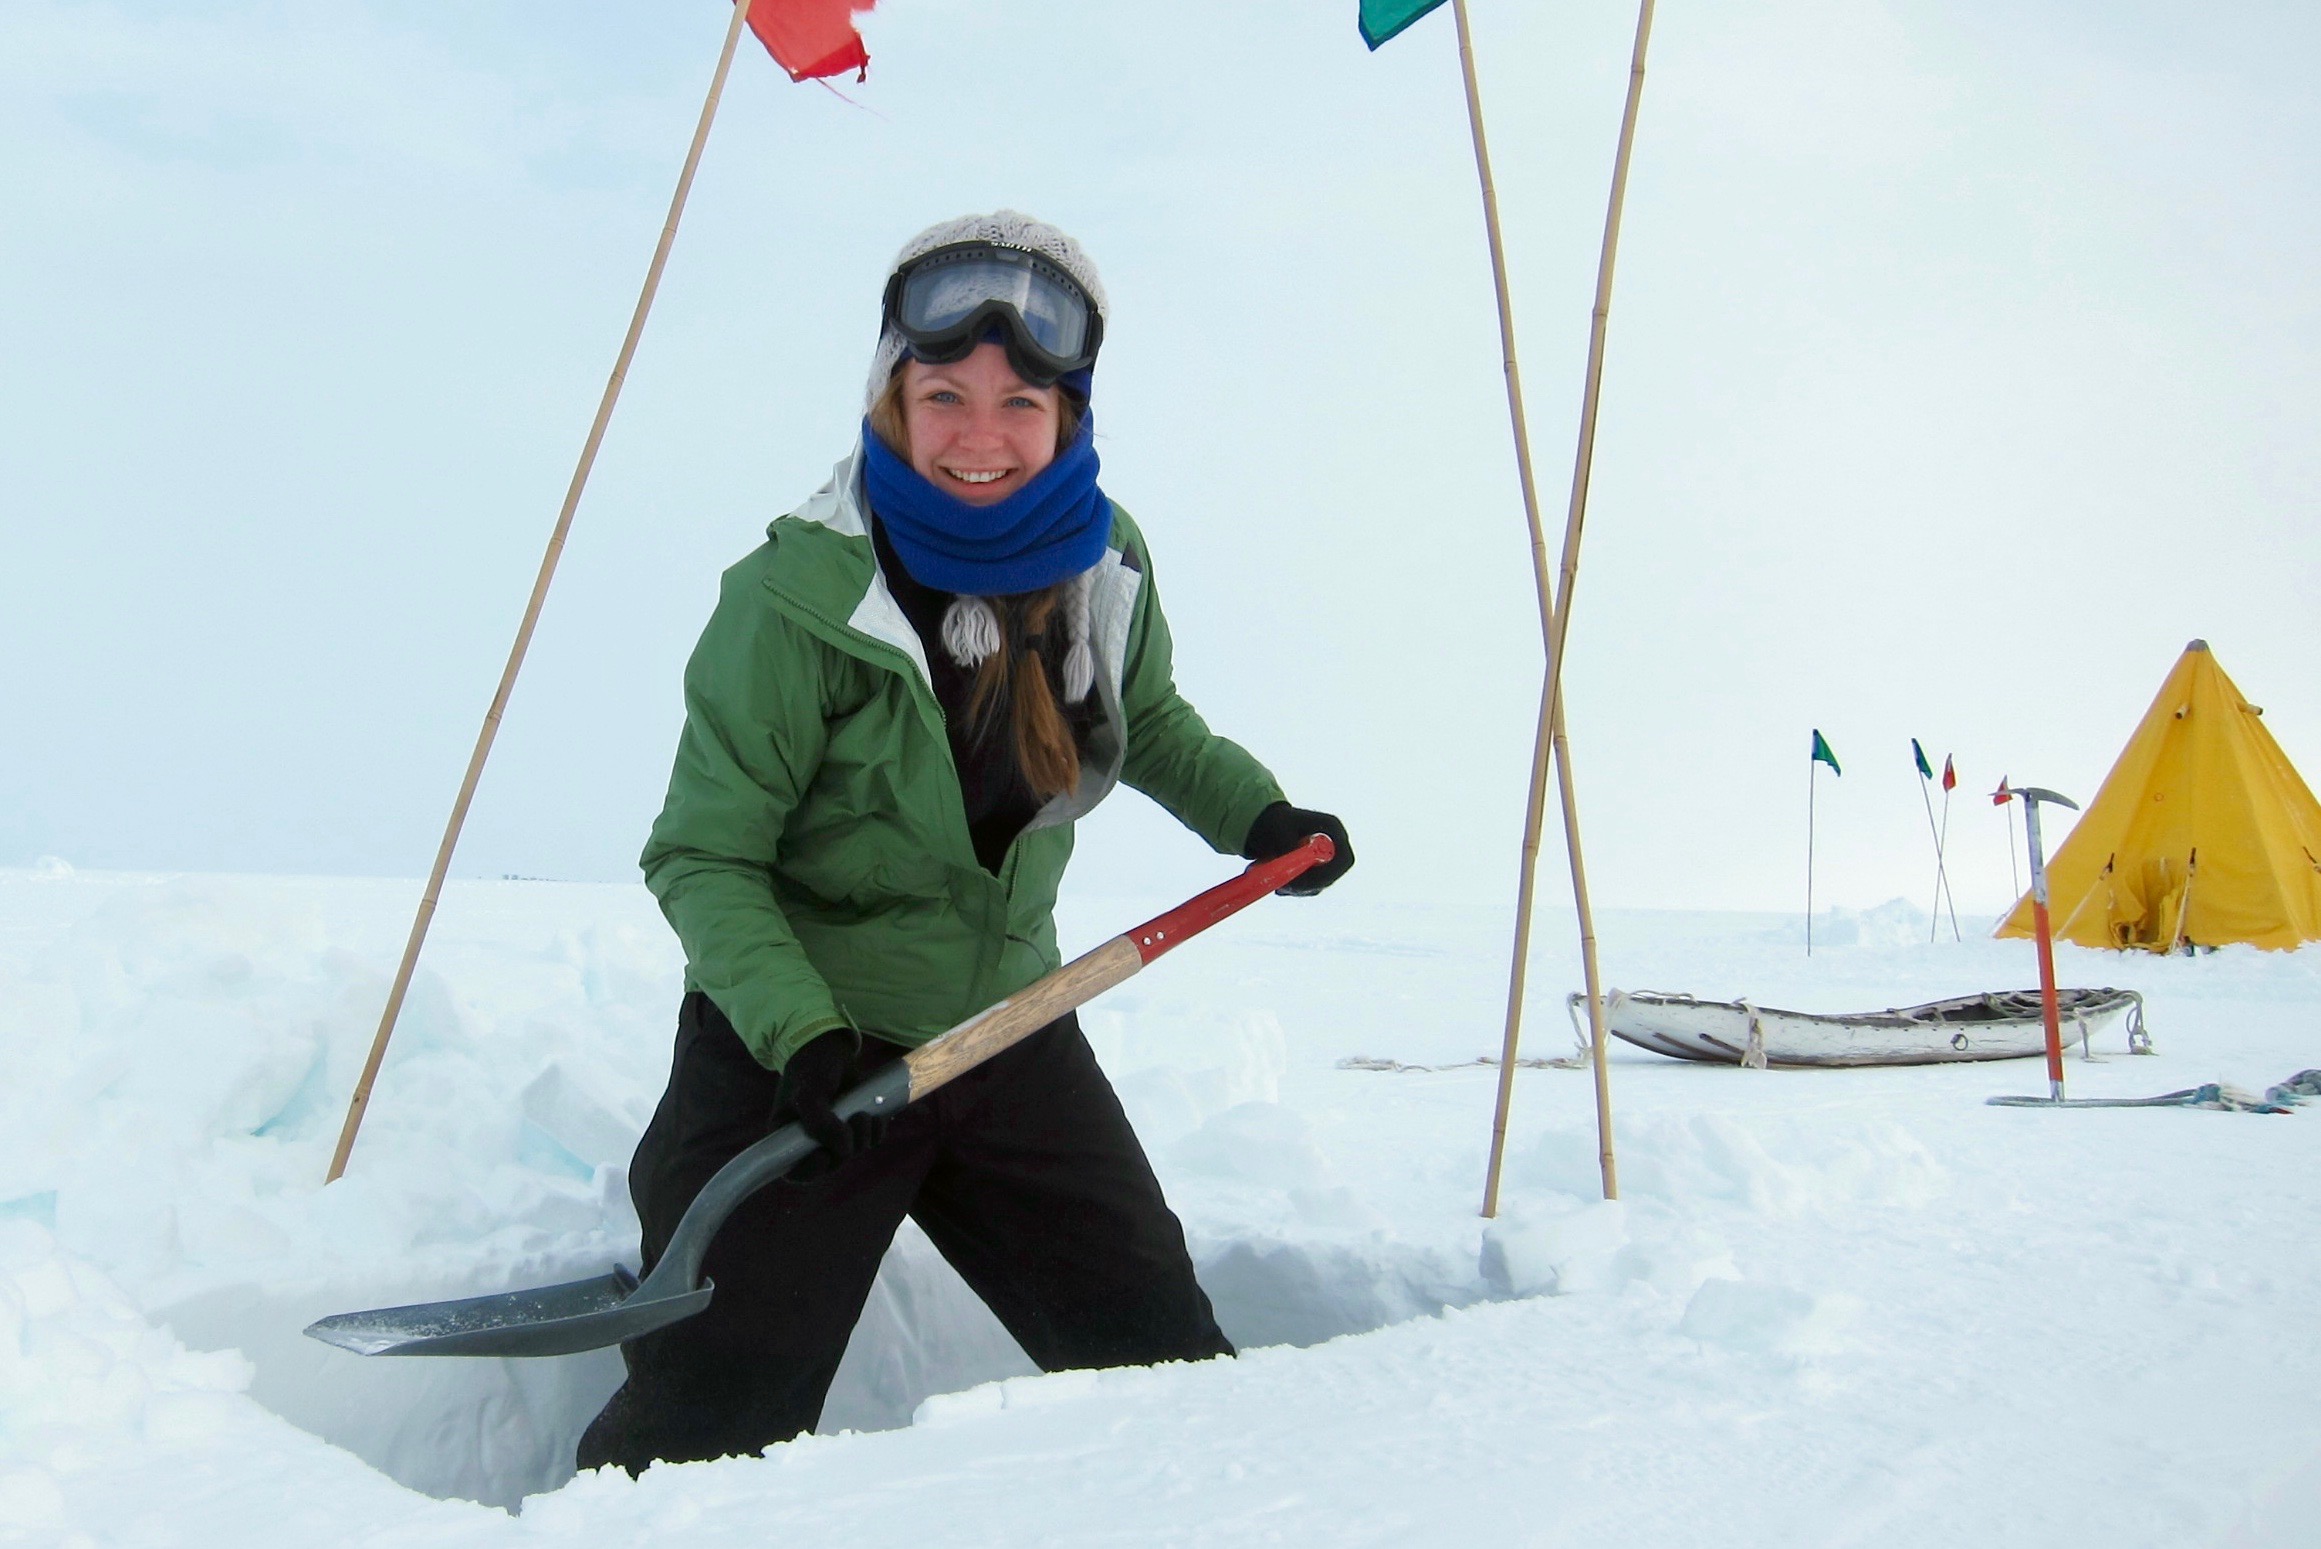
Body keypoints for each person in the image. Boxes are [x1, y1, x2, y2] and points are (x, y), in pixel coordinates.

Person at [576, 211, 1353, 1474]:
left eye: (1017, 402)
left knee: (1167, 1370)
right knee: (703, 1437)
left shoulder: (1105, 555)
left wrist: (1256, 815)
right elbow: (701, 857)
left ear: (1069, 415)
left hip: (1004, 1033)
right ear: (892, 395)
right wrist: (802, 1033)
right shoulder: (793, 601)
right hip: (802, 1064)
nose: (977, 436)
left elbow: (1141, 721)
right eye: (942, 394)